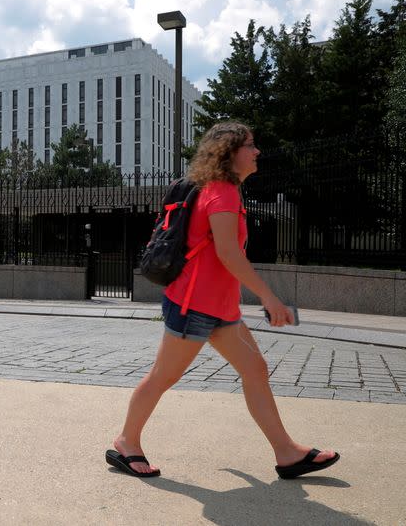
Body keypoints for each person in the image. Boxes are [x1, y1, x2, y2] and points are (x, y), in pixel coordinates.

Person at [107, 122, 339, 480]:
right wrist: (269, 298)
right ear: (230, 152)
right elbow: (230, 255)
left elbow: (223, 256)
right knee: (162, 378)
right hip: (194, 306)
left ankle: (287, 453)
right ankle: (127, 442)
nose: (257, 151)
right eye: (250, 145)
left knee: (255, 370)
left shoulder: (222, 190)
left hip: (218, 308)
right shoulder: (223, 192)